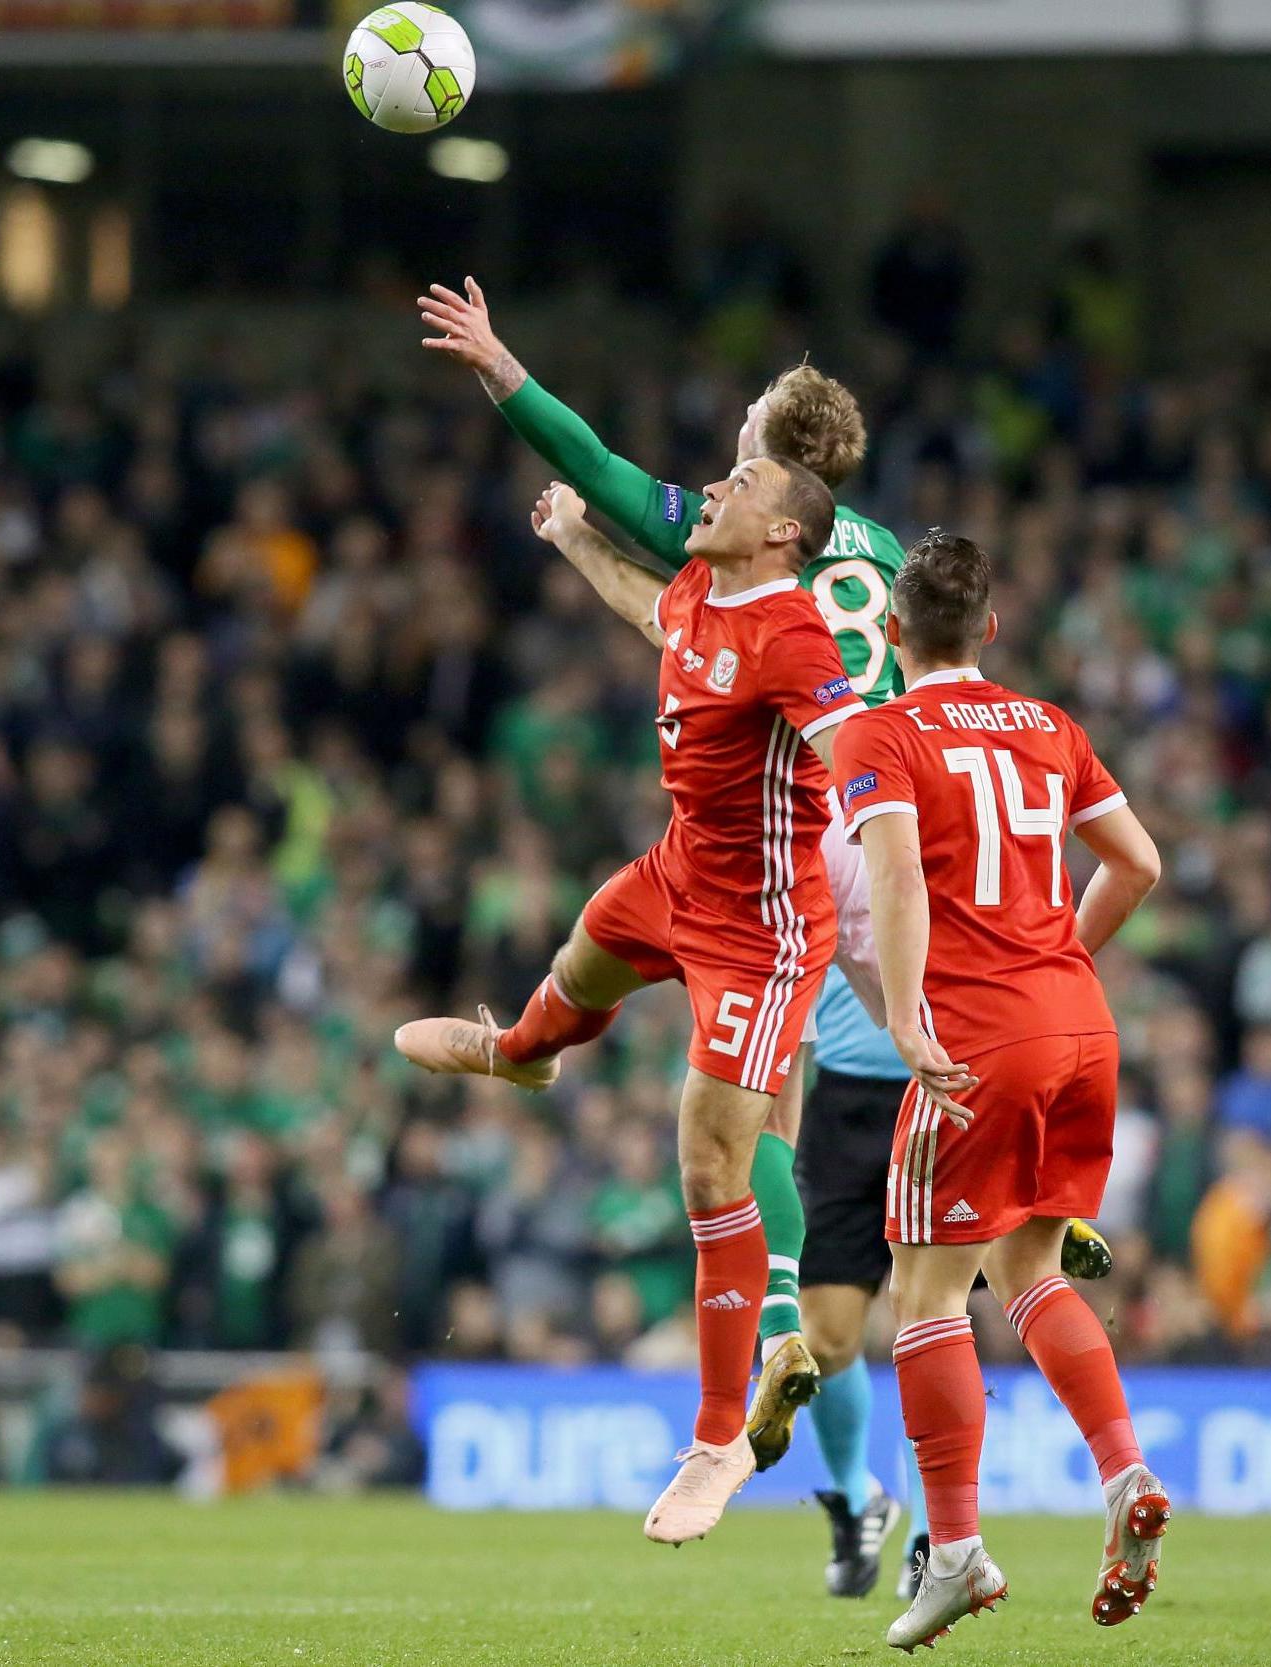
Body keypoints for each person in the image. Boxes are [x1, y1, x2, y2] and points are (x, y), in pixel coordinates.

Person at [419, 279, 1111, 1596]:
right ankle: (1001, 1217)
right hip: (865, 832)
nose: (716, 471)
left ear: (780, 476)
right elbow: (856, 654)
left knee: (751, 1120)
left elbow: (605, 471)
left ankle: (779, 1339)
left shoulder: (747, 557)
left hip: (825, 837)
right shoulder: (867, 552)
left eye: (740, 450)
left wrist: (508, 376)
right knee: (883, 1065)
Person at [396, 457, 864, 1545]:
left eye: (740, 480)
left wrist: (903, 827)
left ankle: (715, 1442)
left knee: (709, 1161)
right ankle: (517, 1050)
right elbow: (649, 611)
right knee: (578, 961)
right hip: (675, 873)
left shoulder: (795, 636)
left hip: (759, 930)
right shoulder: (703, 588)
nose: (712, 485)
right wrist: (570, 537)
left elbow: (853, 753)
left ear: (784, 531)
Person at [830, 533, 1169, 1646]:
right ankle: (1122, 1470)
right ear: (988, 627)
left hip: (980, 1042)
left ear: (889, 635)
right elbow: (1139, 864)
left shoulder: (879, 733)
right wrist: (1055, 969)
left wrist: (907, 1015)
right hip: (1080, 1027)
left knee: (924, 1297)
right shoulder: (1047, 726)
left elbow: (888, 880)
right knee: (1024, 1269)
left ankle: (958, 1547)